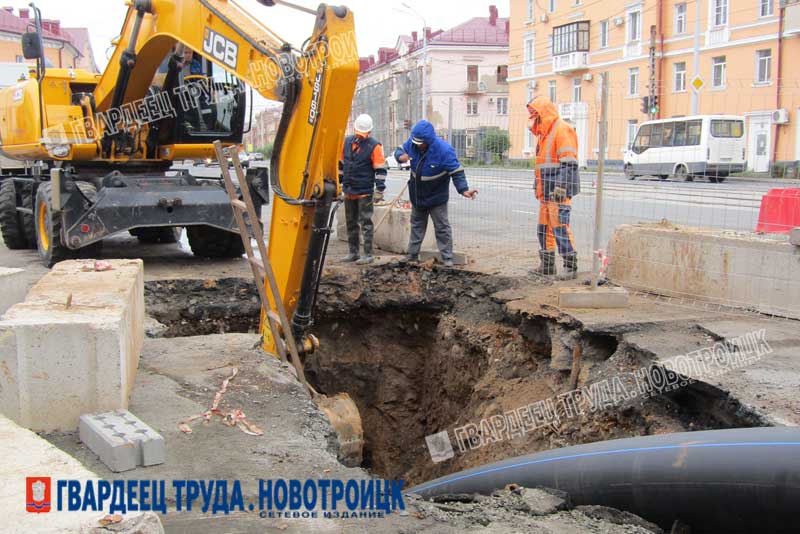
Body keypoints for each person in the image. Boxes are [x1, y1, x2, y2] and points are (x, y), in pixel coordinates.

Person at [395, 120, 477, 267]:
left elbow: (457, 172)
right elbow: (399, 150)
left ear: (428, 140)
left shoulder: (444, 151)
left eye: (420, 142)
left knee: (442, 227)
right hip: (418, 195)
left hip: (436, 197)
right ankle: (412, 255)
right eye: (415, 141)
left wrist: (463, 189)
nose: (417, 144)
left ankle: (447, 258)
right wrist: (400, 156)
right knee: (417, 226)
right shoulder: (413, 143)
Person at [527, 96, 581, 279]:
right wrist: (537, 186)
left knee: (560, 229)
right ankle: (548, 266)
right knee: (543, 229)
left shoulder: (561, 130)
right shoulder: (544, 135)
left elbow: (569, 162)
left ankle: (570, 267)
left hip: (558, 192)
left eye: (535, 115)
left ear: (543, 113)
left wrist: (561, 187)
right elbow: (541, 166)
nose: (533, 119)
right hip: (546, 193)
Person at [340, 114, 387, 265]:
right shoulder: (346, 143)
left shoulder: (375, 146)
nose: (361, 136)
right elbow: (342, 165)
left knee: (366, 223)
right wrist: (340, 184)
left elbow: (380, 170)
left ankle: (367, 254)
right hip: (349, 190)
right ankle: (353, 252)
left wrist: (380, 190)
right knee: (351, 223)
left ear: (369, 132)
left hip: (364, 191)